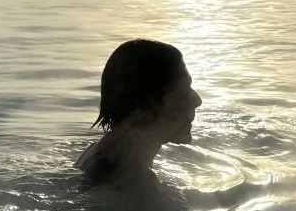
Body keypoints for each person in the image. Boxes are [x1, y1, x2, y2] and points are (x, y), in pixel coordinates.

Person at [75, 39, 202, 185]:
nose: (197, 101)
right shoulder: (134, 184)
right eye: (183, 91)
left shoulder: (94, 155)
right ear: (146, 107)